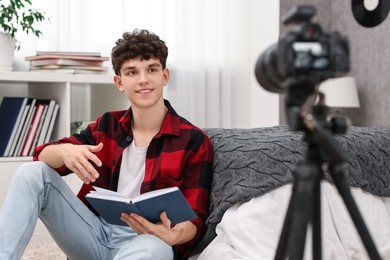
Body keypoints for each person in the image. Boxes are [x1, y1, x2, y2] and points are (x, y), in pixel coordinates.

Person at [0, 29, 213, 260]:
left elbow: (196, 217)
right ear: (119, 82)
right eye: (132, 72)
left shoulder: (193, 140)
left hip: (147, 241)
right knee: (32, 172)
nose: (143, 79)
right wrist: (65, 150)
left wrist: (173, 235)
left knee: (156, 249)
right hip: (92, 232)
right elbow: (41, 157)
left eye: (151, 69)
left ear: (164, 76)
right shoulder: (107, 125)